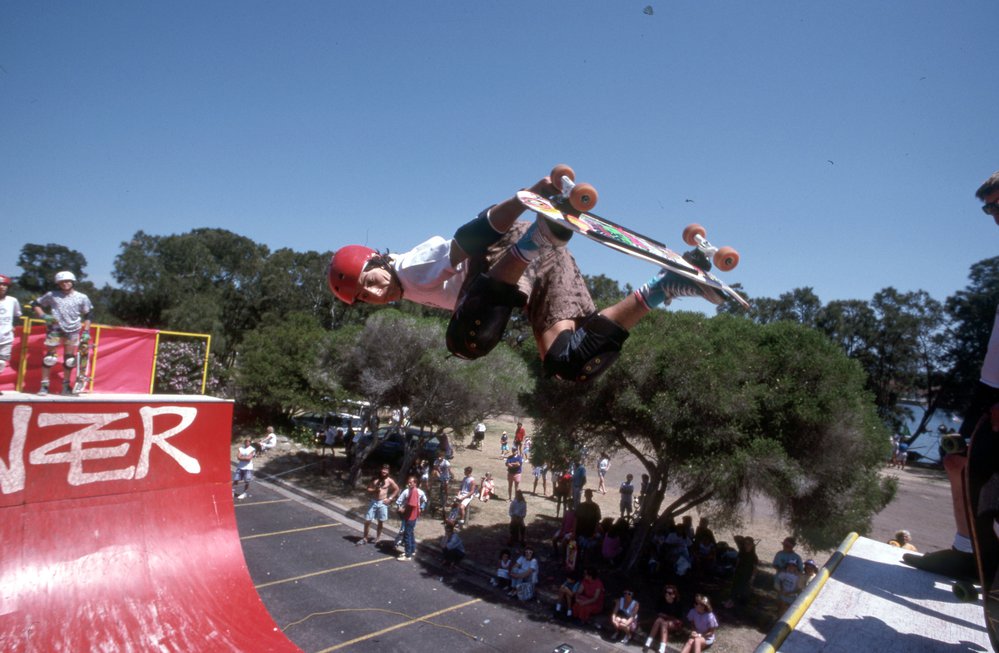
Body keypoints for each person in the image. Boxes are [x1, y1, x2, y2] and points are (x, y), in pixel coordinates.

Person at [326, 169, 728, 388]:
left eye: (372, 278)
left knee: (465, 342)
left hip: (515, 247)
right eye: (368, 296)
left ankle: (538, 238)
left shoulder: (408, 267)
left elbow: (471, 237)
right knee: (568, 362)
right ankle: (663, 288)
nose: (377, 290)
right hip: (546, 263)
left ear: (378, 258)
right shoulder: (401, 284)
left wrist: (524, 201)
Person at [906, 170, 999, 580]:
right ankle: (967, 555)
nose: (994, 215)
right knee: (956, 460)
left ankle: (986, 564)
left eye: (998, 204)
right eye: (988, 208)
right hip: (989, 383)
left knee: (981, 473)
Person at [32, 270, 93, 396]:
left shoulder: (82, 297)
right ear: (58, 283)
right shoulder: (52, 295)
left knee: (70, 360)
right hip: (55, 328)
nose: (65, 284)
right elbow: (35, 304)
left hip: (73, 328)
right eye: (62, 282)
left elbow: (89, 314)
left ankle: (65, 386)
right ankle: (44, 385)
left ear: (72, 282)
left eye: (67, 281)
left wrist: (86, 331)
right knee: (50, 358)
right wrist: (43, 315)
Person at [358, 464, 400, 545]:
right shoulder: (375, 479)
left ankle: (377, 538)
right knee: (367, 520)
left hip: (383, 503)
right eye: (383, 469)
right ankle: (365, 538)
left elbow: (397, 489)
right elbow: (368, 489)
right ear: (381, 470)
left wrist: (390, 499)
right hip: (373, 502)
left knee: (380, 521)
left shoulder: (389, 480)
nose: (384, 471)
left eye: (386, 470)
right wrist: (374, 490)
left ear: (388, 471)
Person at [643, 584, 685, 653]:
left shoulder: (677, 604)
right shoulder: (661, 600)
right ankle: (648, 644)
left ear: (674, 595)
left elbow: (678, 618)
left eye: (669, 593)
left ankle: (662, 649)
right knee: (659, 620)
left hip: (673, 623)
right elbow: (657, 611)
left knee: (663, 623)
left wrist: (668, 617)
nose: (667, 594)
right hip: (661, 621)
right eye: (666, 592)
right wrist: (662, 615)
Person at [394, 475, 427, 561]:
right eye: (408, 482)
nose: (409, 484)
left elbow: (411, 505)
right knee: (410, 533)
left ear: (415, 483)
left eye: (411, 482)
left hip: (410, 517)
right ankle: (412, 550)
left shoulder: (414, 491)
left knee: (407, 535)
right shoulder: (411, 490)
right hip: (411, 516)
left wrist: (403, 509)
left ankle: (407, 555)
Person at [0, 274, 22, 395]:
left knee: (1, 363)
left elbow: (17, 315)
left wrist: (14, 326)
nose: (2, 287)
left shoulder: (12, 300)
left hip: (6, 336)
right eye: (0, 284)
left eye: (4, 285)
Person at [726, 535, 758, 608]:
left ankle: (742, 604)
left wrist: (752, 578)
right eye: (745, 543)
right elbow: (738, 562)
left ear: (752, 545)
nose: (746, 545)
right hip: (738, 573)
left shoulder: (754, 556)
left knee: (745, 591)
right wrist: (734, 571)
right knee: (735, 587)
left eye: (748, 544)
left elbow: (755, 568)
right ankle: (731, 601)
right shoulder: (741, 553)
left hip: (747, 576)